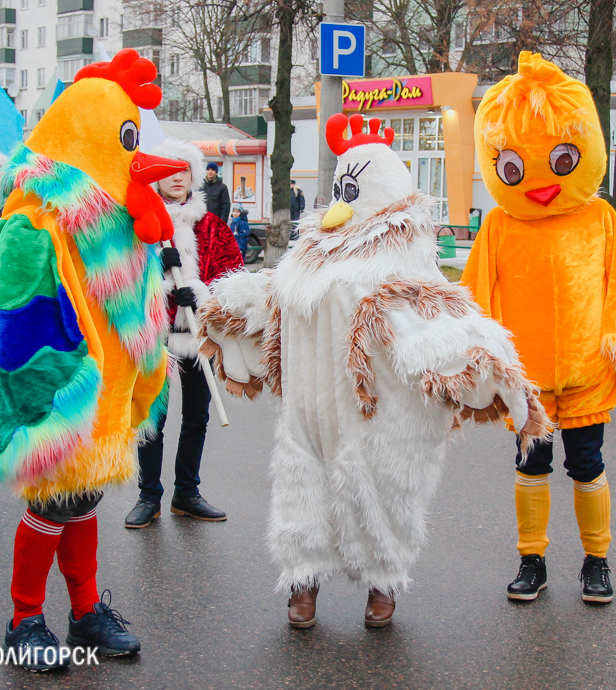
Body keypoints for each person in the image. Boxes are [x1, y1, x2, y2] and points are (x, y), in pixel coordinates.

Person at [197, 114, 548, 628]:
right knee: (303, 495)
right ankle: (303, 584)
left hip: (375, 414)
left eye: (353, 189)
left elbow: (433, 320)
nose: (341, 201)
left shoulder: (402, 259)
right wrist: (232, 304)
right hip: (308, 410)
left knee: (381, 495)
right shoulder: (309, 252)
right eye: (340, 186)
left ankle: (383, 586)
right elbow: (277, 300)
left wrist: (481, 361)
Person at [462, 53, 616, 606]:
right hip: (526, 376)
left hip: (585, 372)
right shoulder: (500, 225)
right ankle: (532, 560)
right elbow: (474, 296)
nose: (538, 182)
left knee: (587, 464)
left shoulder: (599, 218)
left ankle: (596, 562)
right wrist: (468, 360)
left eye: (561, 159)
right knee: (531, 463)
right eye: (514, 167)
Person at [125, 139, 243, 529]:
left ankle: (186, 493)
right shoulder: (136, 227)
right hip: (155, 336)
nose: (177, 176)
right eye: (169, 169)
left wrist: (201, 293)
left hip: (198, 337)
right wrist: (159, 280)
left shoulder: (212, 227)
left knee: (196, 417)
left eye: (185, 169)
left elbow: (234, 275)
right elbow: (119, 280)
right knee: (152, 419)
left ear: (194, 176)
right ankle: (149, 496)